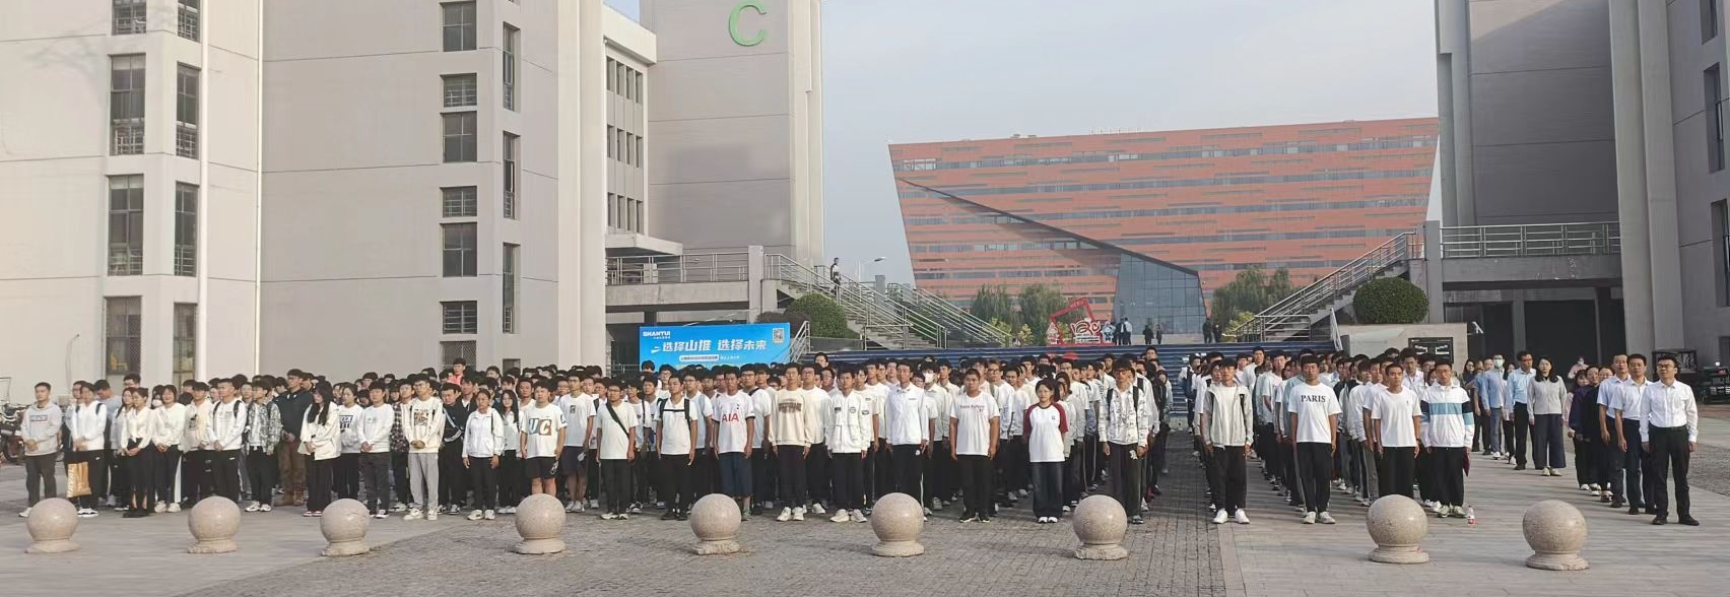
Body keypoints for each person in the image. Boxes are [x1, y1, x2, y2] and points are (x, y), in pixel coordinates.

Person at [1642, 354, 1700, 526]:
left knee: (1681, 476)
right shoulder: (1650, 389)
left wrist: (1692, 436)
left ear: (1675, 370)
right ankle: (1661, 513)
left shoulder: (1684, 389)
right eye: (1660, 366)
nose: (1663, 369)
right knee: (1659, 475)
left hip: (1679, 434)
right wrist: (1645, 437)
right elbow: (1644, 414)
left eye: (1667, 366)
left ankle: (1684, 514)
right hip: (1658, 434)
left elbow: (1692, 414)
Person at [1286, 356, 1340, 525]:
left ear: (1318, 369)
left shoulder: (1327, 391)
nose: (1310, 371)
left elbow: (1332, 416)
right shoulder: (1297, 390)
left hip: (1323, 439)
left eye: (1313, 367)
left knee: (1324, 475)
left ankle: (1323, 509)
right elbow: (1293, 416)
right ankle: (1310, 509)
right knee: (1306, 475)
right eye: (1307, 367)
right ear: (1302, 369)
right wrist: (1294, 438)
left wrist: (1333, 438)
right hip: (1304, 439)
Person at [1196, 360, 1252, 525]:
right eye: (1223, 369)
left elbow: (1248, 415)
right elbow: (1206, 415)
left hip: (1238, 440)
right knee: (1219, 477)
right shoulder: (1212, 391)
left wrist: (1249, 439)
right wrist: (1207, 438)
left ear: (1235, 370)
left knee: (1239, 476)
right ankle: (1221, 508)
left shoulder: (1242, 392)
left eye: (1229, 368)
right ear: (1218, 371)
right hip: (1219, 440)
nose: (1226, 372)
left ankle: (1239, 508)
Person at [1101, 359, 1155, 525]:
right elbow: (1103, 419)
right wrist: (1104, 441)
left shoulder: (1137, 394)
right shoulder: (1108, 394)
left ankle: (1134, 511)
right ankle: (1118, 511)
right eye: (1118, 372)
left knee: (1134, 477)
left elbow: (1143, 418)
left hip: (1132, 441)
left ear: (1130, 374)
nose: (1121, 375)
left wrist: (1142, 442)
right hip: (1114, 441)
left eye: (1124, 372)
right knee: (1116, 478)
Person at [1422, 362, 1473, 519]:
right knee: (1440, 474)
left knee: (1456, 474)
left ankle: (1457, 504)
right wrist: (1426, 441)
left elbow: (1469, 420)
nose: (1443, 375)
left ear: (1451, 372)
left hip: (1456, 441)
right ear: (1435, 374)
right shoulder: (1428, 394)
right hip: (1437, 441)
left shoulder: (1460, 393)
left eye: (1446, 371)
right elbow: (1424, 420)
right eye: (1439, 372)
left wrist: (1468, 442)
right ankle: (1444, 504)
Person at [950, 368, 1000, 523]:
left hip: (983, 448)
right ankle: (969, 510)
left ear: (979, 382)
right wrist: (953, 446)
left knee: (984, 482)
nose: (970, 383)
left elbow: (994, 423)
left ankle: (983, 511)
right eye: (968, 380)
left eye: (974, 380)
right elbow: (953, 424)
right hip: (964, 448)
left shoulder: (987, 399)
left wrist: (993, 445)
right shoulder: (958, 400)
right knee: (967, 483)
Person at [827, 367, 875, 523]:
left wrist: (864, 445)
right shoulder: (833, 399)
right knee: (839, 478)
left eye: (847, 378)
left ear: (853, 380)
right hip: (838, 445)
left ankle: (857, 508)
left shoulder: (859, 400)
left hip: (855, 445)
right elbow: (829, 424)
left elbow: (865, 424)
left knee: (857, 479)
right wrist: (829, 444)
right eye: (841, 378)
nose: (844, 381)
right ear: (837, 380)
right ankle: (841, 509)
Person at [710, 372, 757, 519]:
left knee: (744, 477)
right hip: (724, 445)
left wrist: (749, 443)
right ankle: (731, 509)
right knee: (727, 478)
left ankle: (746, 508)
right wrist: (715, 443)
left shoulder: (745, 398)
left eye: (732, 379)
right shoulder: (719, 400)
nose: (729, 382)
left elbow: (750, 422)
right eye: (727, 379)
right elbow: (716, 423)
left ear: (738, 380)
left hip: (740, 444)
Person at [1371, 362, 1421, 499]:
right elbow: (1377, 420)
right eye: (1392, 374)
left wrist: (1416, 439)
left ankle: (1406, 506)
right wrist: (1378, 442)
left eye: (1399, 374)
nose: (1396, 377)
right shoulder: (1380, 396)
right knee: (1388, 480)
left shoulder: (1411, 395)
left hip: (1407, 443)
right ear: (1387, 376)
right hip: (1388, 444)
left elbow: (1416, 418)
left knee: (1406, 480)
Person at [590, 380, 639, 520]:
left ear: (621, 393)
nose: (612, 393)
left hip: (623, 451)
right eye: (610, 390)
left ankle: (623, 509)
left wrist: (630, 449)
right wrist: (598, 450)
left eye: (615, 391)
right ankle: (611, 509)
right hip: (607, 451)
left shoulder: (628, 408)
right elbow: (599, 430)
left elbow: (632, 430)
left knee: (624, 482)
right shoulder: (601, 409)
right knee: (609, 483)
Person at [654, 378, 701, 521]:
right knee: (668, 482)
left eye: (675, 384)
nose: (672, 386)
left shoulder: (688, 404)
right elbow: (659, 426)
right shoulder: (662, 404)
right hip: (667, 450)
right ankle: (670, 509)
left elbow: (694, 427)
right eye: (670, 384)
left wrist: (693, 448)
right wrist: (658, 445)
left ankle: (683, 509)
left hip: (684, 450)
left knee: (685, 482)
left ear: (681, 386)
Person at [1611, 354, 1653, 514]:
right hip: (1630, 427)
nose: (1636, 368)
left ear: (1645, 367)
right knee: (1632, 468)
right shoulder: (1621, 388)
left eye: (1639, 365)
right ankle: (1634, 503)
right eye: (1633, 365)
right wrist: (1621, 437)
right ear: (1628, 367)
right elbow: (1617, 415)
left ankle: (1650, 504)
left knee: (1650, 468)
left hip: (1649, 427)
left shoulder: (1652, 387)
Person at [402, 376, 447, 521]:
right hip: (413, 448)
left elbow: (437, 424)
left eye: (421, 385)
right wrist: (412, 440)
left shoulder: (436, 403)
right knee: (414, 480)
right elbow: (406, 424)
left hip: (430, 447)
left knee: (431, 480)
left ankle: (432, 508)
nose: (418, 388)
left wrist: (424, 440)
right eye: (415, 385)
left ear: (428, 386)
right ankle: (418, 507)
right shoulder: (411, 404)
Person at [1025, 379, 1069, 524]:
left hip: (1054, 453)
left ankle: (1055, 511)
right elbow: (1027, 431)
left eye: (1045, 391)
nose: (1042, 394)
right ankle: (1041, 512)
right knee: (1039, 486)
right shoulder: (1032, 410)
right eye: (1040, 391)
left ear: (1051, 393)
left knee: (1056, 485)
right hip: (1037, 453)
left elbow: (1063, 430)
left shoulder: (1058, 408)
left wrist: (1060, 447)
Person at [19, 382, 62, 518]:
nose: (39, 394)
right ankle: (32, 506)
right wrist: (28, 440)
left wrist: (36, 440)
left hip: (46, 451)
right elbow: (24, 427)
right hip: (30, 451)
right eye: (37, 391)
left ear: (49, 393)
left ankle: (51, 506)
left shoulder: (54, 410)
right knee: (31, 480)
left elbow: (54, 428)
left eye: (43, 391)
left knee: (48, 479)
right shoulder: (30, 410)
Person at [67, 383, 109, 518]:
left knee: (94, 477)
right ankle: (83, 505)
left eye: (88, 392)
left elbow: (100, 427)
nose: (86, 395)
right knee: (80, 476)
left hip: (95, 447)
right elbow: (74, 426)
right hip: (79, 447)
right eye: (83, 392)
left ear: (94, 393)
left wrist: (85, 438)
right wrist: (77, 441)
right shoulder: (78, 408)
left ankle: (92, 505)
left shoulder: (100, 407)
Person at [519, 380, 566, 499]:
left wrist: (559, 448)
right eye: (537, 391)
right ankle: (538, 504)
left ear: (548, 393)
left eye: (542, 391)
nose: (539, 394)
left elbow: (562, 430)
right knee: (535, 481)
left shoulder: (555, 410)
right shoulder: (529, 411)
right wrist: (522, 447)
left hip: (549, 452)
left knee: (549, 480)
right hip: (533, 452)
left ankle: (550, 504)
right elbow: (524, 431)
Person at [462, 389, 504, 521]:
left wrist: (496, 453)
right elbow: (467, 435)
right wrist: (465, 454)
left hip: (488, 455)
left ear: (489, 400)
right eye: (478, 399)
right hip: (474, 454)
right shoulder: (472, 416)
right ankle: (478, 509)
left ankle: (490, 509)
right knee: (477, 483)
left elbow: (499, 435)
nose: (481, 402)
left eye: (484, 399)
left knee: (490, 483)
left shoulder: (493, 415)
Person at [118, 387, 159, 517]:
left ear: (144, 398)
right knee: (133, 476)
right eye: (133, 397)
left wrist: (140, 447)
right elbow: (125, 430)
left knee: (145, 475)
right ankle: (134, 505)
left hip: (144, 446)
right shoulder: (130, 413)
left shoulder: (150, 413)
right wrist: (124, 445)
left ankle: (145, 506)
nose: (135, 400)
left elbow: (149, 432)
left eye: (137, 397)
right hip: (131, 443)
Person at [302, 385, 340, 517]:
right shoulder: (311, 407)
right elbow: (305, 425)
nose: (316, 397)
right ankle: (312, 506)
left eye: (318, 394)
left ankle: (323, 506)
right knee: (312, 478)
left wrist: (315, 442)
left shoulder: (333, 408)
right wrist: (307, 441)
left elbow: (328, 430)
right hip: (309, 447)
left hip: (325, 447)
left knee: (324, 479)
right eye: (314, 394)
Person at [358, 385, 394, 518]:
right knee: (369, 482)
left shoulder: (388, 409)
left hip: (381, 450)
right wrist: (363, 441)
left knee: (382, 482)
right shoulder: (366, 411)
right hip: (366, 451)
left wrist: (371, 442)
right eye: (372, 392)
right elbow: (359, 428)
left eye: (377, 392)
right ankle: (371, 507)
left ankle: (384, 508)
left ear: (383, 393)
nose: (374, 394)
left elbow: (386, 429)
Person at [1529, 358, 1568, 477]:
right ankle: (1543, 466)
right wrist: (1531, 414)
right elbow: (1529, 398)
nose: (1544, 366)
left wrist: (1563, 414)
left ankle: (1555, 466)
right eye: (1542, 364)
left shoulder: (1558, 380)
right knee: (1540, 441)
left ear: (1551, 366)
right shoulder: (1534, 380)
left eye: (1547, 364)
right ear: (1538, 366)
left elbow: (1563, 396)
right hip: (1540, 414)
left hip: (1556, 413)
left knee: (1556, 440)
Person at [151, 385, 187, 513]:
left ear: (175, 395)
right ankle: (161, 500)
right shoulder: (156, 411)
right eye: (164, 394)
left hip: (174, 445)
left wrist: (168, 443)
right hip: (159, 446)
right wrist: (157, 442)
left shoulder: (181, 409)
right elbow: (152, 429)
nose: (166, 396)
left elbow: (179, 427)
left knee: (174, 475)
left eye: (169, 393)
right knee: (159, 474)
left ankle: (174, 501)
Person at [1505, 352, 1536, 470]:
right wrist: (1510, 410)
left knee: (1536, 435)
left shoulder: (1536, 374)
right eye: (1525, 360)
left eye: (1530, 359)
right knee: (1520, 435)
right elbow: (1509, 394)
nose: (1528, 362)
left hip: (1535, 406)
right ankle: (1521, 461)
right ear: (1520, 362)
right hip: (1520, 406)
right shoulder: (1513, 375)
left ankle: (1539, 461)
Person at [495, 390, 523, 514]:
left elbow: (522, 433)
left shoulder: (519, 414)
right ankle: (504, 503)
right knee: (503, 480)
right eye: (504, 399)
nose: (506, 401)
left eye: (509, 398)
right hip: (502, 450)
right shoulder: (498, 415)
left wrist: (520, 450)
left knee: (515, 479)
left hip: (514, 450)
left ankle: (515, 503)